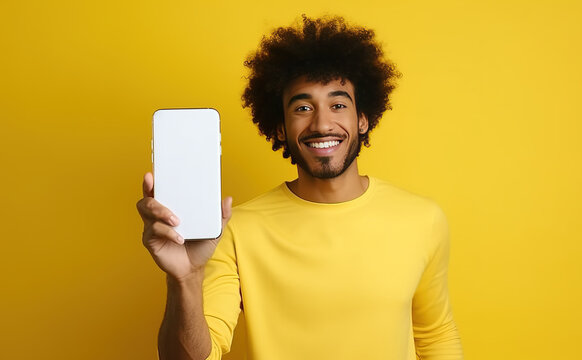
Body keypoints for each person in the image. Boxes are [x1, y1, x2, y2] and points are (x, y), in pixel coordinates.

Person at [137, 15, 463, 360]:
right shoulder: (234, 231)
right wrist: (184, 279)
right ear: (280, 128)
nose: (322, 123)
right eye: (303, 108)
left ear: (362, 119)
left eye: (338, 105)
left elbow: (436, 336)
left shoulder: (423, 219)